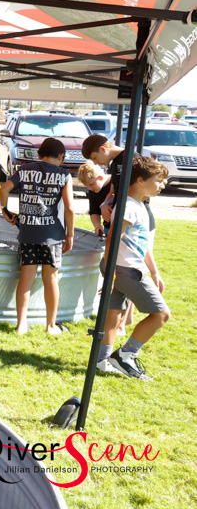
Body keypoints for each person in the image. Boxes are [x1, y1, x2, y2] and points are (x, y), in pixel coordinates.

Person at [95, 156, 171, 381]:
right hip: (125, 270)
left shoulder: (139, 206)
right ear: (139, 179)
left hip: (124, 268)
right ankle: (126, 355)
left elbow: (142, 244)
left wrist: (154, 271)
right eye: (159, 180)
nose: (163, 184)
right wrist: (111, 274)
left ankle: (102, 360)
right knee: (161, 314)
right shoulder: (129, 206)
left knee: (113, 316)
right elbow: (112, 240)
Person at [0, 138, 74, 335]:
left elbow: (3, 189)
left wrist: (6, 211)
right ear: (61, 156)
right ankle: (51, 326)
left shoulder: (24, 170)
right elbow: (70, 208)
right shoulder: (64, 174)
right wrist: (70, 235)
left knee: (26, 278)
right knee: (51, 278)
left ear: (39, 155)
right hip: (53, 235)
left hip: (28, 233)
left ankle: (21, 324)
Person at [78, 161, 112, 239]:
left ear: (100, 177)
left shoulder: (115, 182)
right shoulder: (93, 190)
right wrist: (97, 226)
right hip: (108, 227)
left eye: (91, 184)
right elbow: (94, 211)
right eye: (87, 186)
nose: (90, 188)